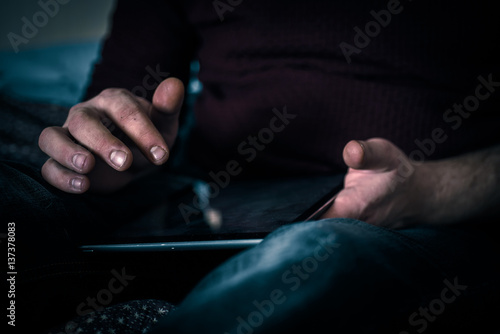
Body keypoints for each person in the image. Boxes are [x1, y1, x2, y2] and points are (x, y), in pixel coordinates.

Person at [4, 0, 500, 332]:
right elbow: (121, 91)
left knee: (312, 256)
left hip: (416, 214)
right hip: (193, 196)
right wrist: (113, 145)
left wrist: (425, 192)